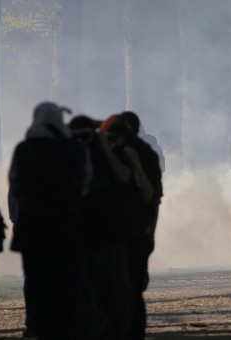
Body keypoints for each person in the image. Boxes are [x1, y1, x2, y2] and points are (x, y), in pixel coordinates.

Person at [8, 102, 88, 340]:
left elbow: (15, 187)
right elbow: (85, 184)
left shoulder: (24, 149)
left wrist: (18, 217)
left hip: (33, 228)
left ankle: (37, 327)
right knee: (66, 280)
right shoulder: (74, 148)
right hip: (68, 228)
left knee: (35, 281)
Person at [68, 115, 134, 339]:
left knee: (116, 296)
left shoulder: (111, 155)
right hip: (81, 239)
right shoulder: (67, 157)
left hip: (108, 238)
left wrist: (104, 145)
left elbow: (124, 177)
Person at [100, 111, 162, 339]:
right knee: (127, 291)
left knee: (129, 291)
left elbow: (152, 196)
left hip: (128, 232)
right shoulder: (145, 149)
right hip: (126, 232)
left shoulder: (142, 152)